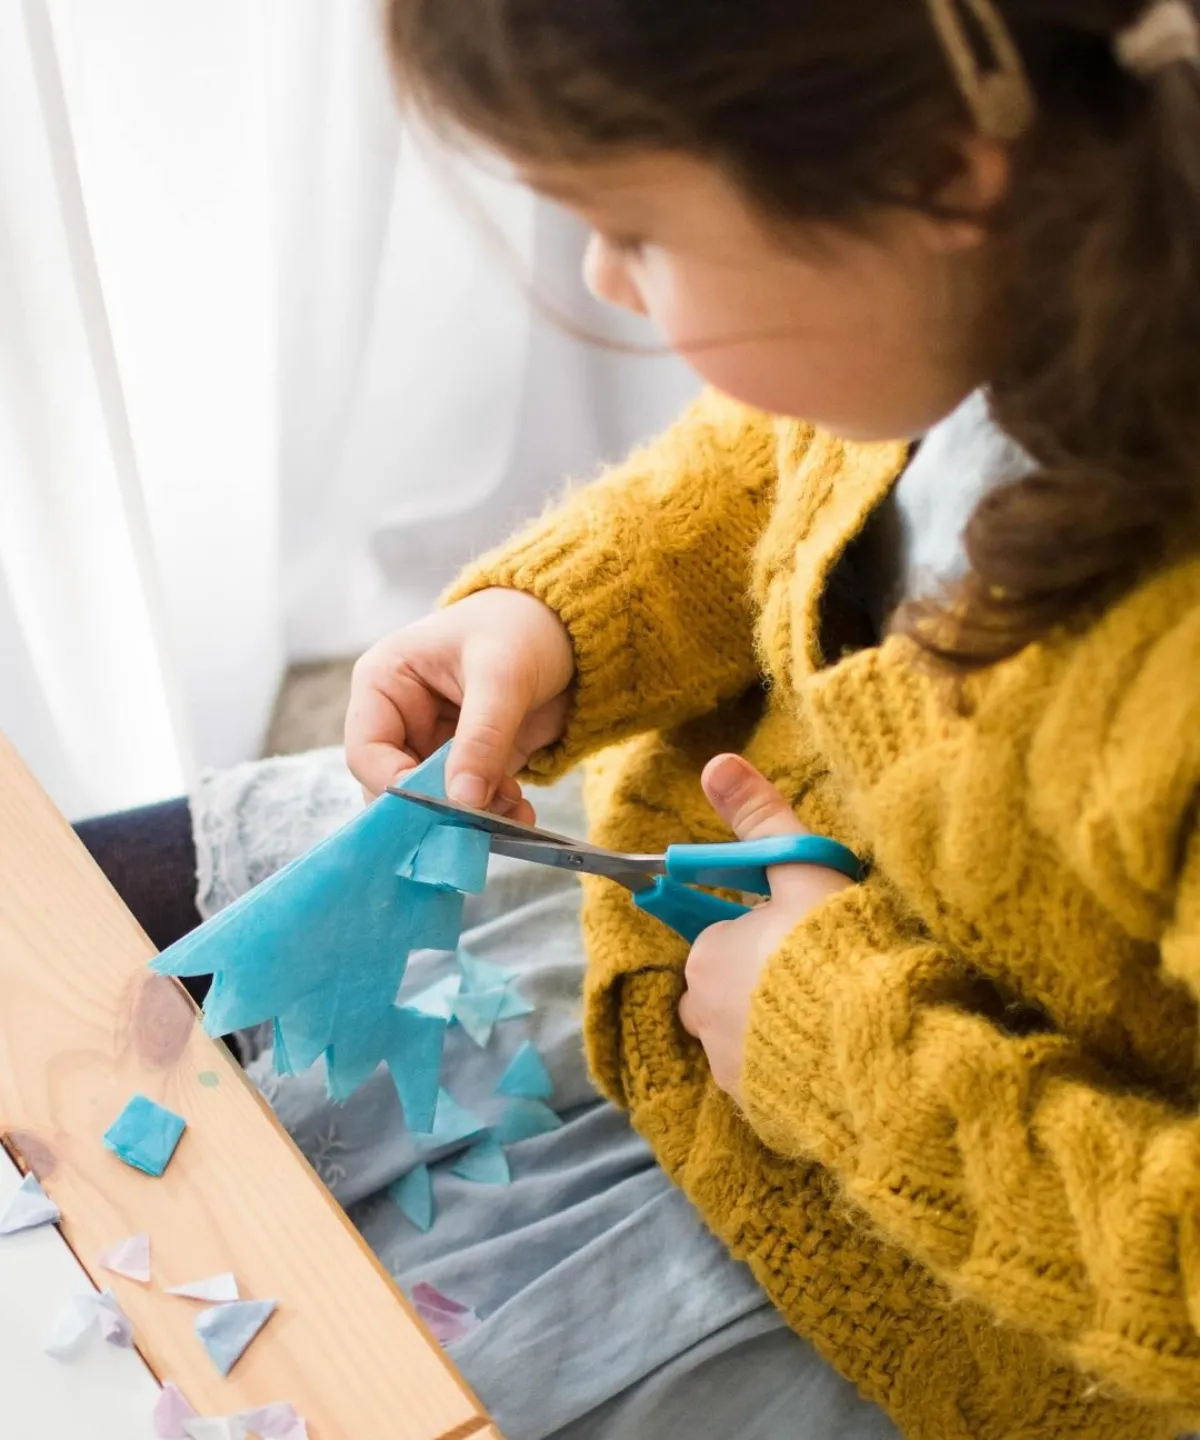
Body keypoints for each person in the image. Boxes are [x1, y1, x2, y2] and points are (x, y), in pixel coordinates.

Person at [79, 1, 1200, 1435]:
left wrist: (828, 1040)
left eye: (639, 231)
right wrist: (562, 616)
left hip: (925, 1266)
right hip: (675, 913)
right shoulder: (996, 269)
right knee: (82, 918)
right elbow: (788, 445)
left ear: (937, 171)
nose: (607, 278)